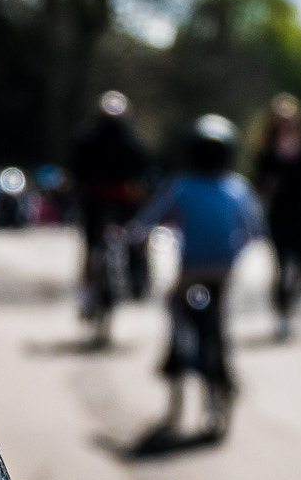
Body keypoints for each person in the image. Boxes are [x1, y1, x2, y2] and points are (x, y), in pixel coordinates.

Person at [131, 114, 265, 439]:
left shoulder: (182, 185)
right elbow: (254, 230)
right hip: (224, 270)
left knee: (173, 303)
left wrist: (135, 235)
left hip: (191, 270)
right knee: (219, 320)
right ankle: (223, 369)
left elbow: (147, 221)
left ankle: (178, 350)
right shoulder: (237, 187)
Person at [69, 91, 155, 333]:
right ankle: (92, 291)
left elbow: (144, 173)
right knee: (93, 248)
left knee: (131, 243)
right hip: (99, 203)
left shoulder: (95, 140)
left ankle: (135, 281)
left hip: (117, 204)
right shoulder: (96, 141)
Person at [252, 93, 301, 339]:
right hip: (279, 213)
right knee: (282, 262)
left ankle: (294, 300)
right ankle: (282, 310)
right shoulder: (265, 151)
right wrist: (268, 184)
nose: (286, 125)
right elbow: (258, 183)